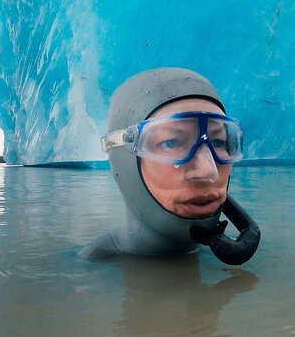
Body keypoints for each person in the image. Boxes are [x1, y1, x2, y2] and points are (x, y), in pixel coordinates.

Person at [79, 68, 260, 265]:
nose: (208, 171)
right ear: (125, 162)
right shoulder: (87, 272)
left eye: (218, 143)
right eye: (171, 143)